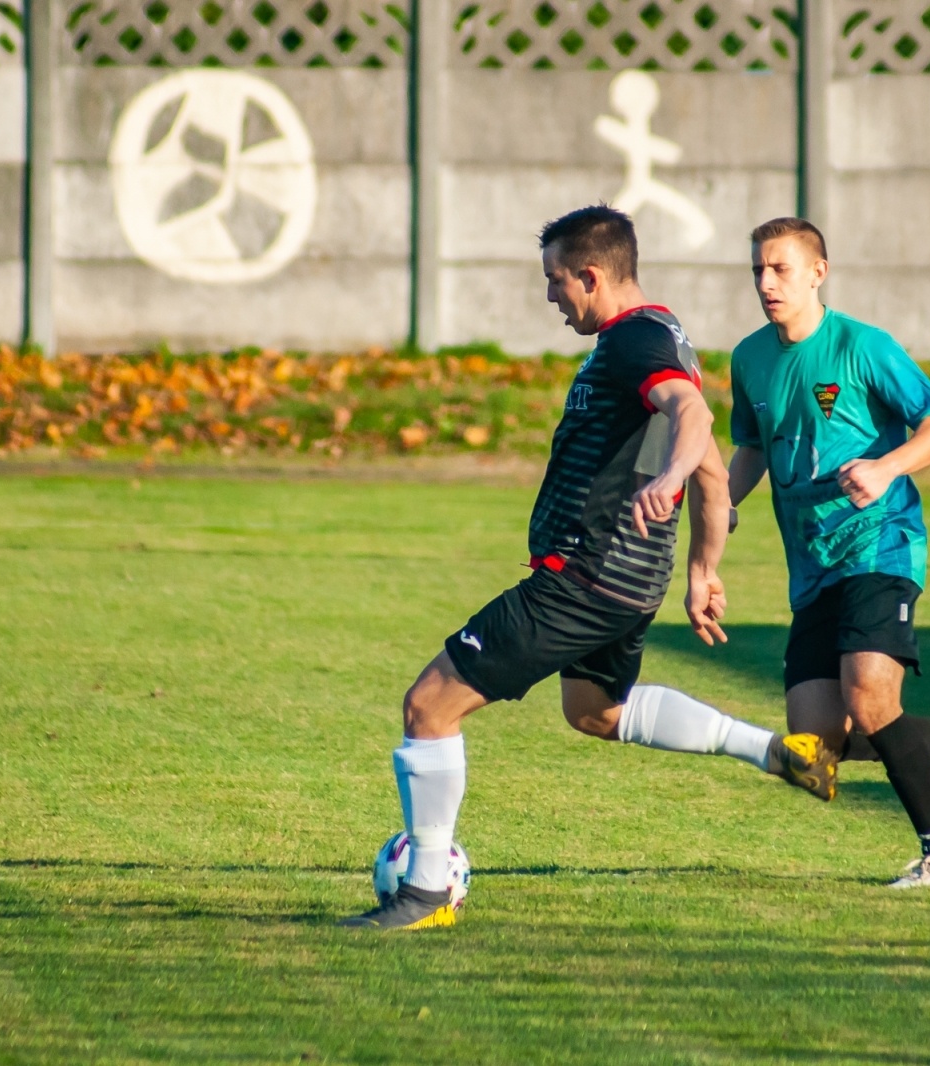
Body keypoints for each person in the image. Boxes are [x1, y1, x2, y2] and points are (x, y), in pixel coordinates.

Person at [343, 205, 837, 930]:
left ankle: (422, 892)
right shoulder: (665, 336)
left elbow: (692, 420)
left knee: (428, 707)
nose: (550, 296)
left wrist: (662, 480)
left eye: (555, 281)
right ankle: (772, 750)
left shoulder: (635, 341)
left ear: (591, 275)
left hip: (581, 577)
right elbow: (710, 474)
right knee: (595, 713)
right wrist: (703, 567)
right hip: (631, 584)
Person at [725, 217, 930, 889]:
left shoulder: (863, 347)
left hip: (881, 546)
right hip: (812, 567)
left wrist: (885, 469)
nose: (767, 283)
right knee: (814, 752)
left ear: (818, 272)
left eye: (781, 269)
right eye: (758, 271)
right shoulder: (750, 359)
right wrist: (722, 500)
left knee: (871, 697)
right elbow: (754, 446)